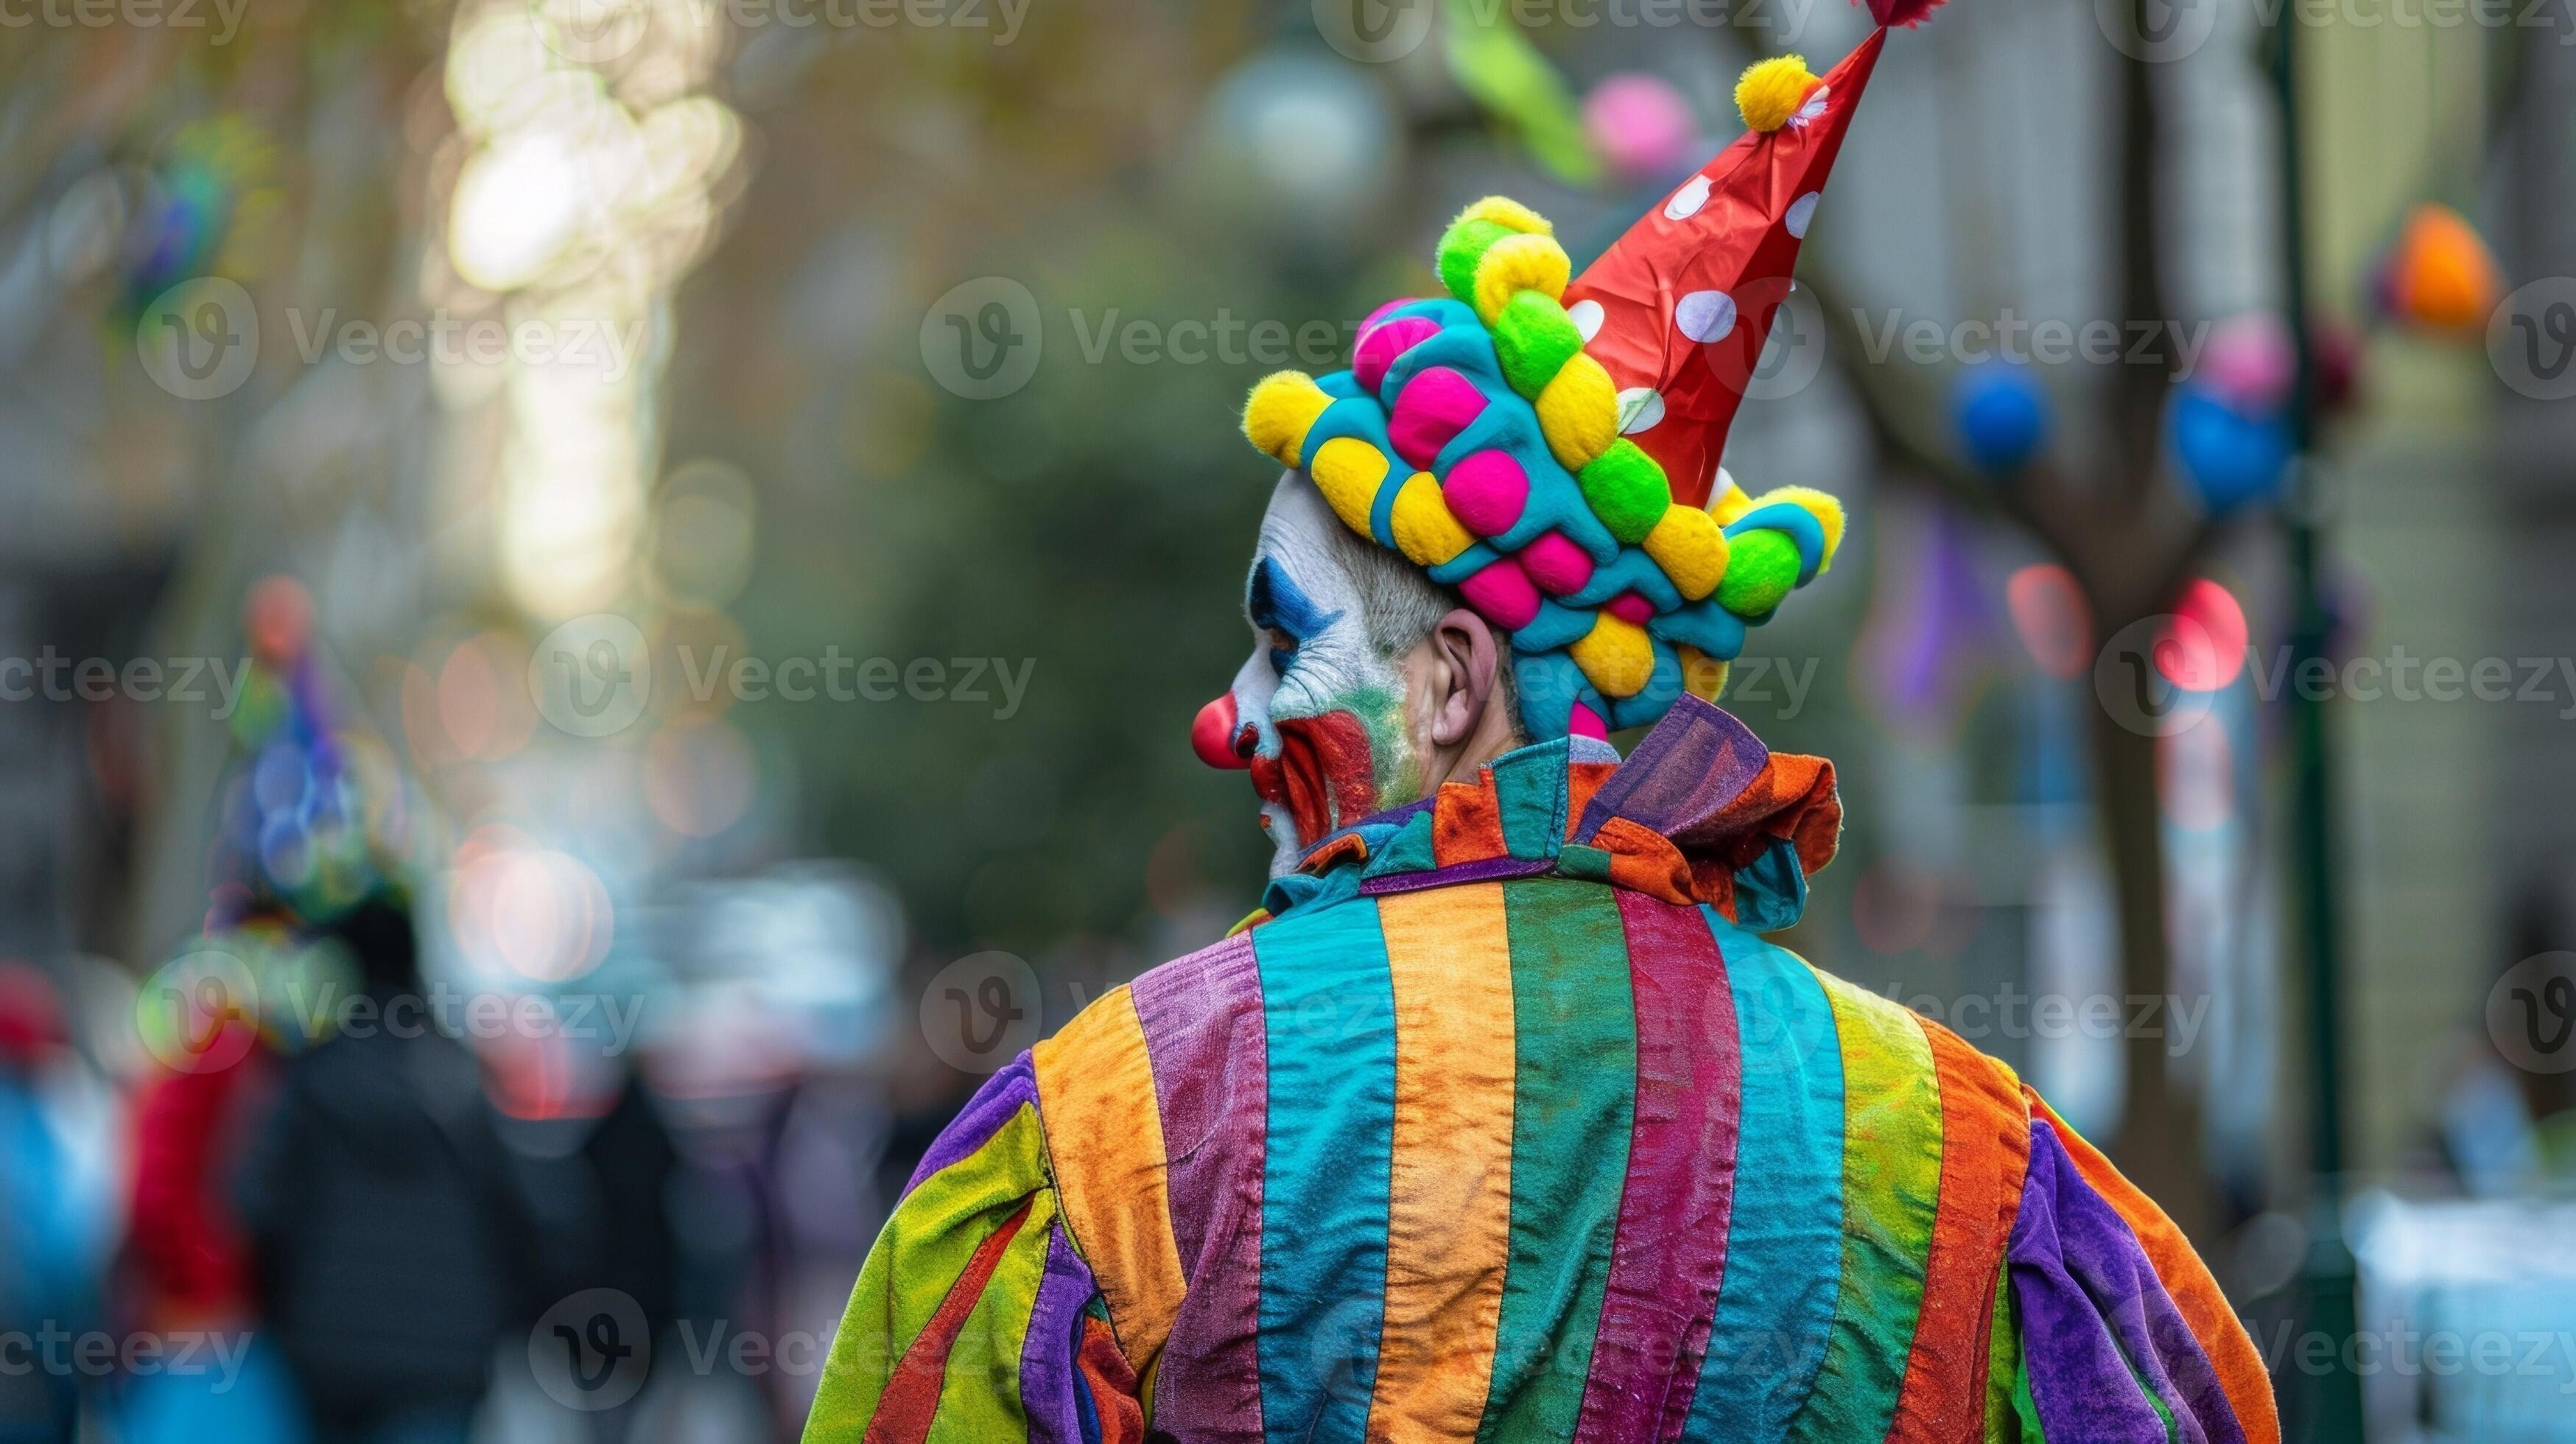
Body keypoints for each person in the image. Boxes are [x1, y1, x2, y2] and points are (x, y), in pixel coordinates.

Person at [805, 9, 2280, 1440]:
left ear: (1450, 680)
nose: (1230, 718)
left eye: (1279, 643)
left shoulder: (1125, 1116)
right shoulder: (1958, 1152)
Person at [235, 897, 530, 1444]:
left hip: (329, 1358)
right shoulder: (460, 1078)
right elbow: (521, 1211)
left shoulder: (310, 1080)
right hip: (445, 1360)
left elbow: (254, 1204)